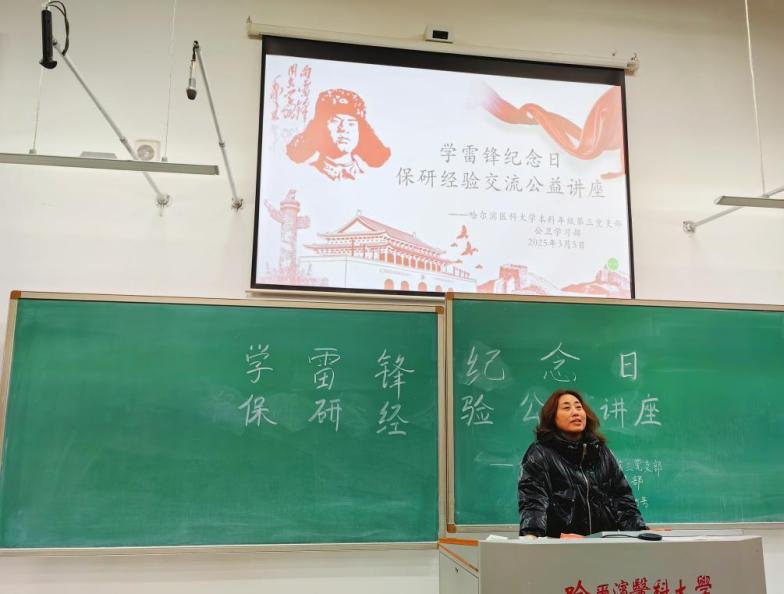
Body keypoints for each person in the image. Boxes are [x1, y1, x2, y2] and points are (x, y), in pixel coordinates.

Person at [518, 388, 647, 538]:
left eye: (579, 407)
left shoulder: (601, 452)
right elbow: (533, 502)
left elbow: (622, 498)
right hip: (561, 546)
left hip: (604, 544)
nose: (576, 412)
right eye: (567, 408)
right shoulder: (540, 454)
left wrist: (640, 532)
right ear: (552, 417)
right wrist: (541, 536)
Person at [286, 88, 391, 181]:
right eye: (335, 121)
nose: (344, 129)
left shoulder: (369, 178)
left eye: (351, 123)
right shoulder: (305, 175)